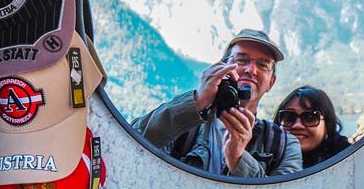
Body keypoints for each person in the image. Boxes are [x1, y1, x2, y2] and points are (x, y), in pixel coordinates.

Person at [134, 29, 302, 178]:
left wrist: (238, 159)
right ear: (222, 68)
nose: (251, 70)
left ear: (271, 82)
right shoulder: (182, 127)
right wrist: (197, 101)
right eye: (242, 60)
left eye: (263, 64)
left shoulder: (284, 144)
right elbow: (130, 141)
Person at [274, 87, 350, 168]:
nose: (297, 125)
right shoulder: (264, 161)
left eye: (310, 117)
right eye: (289, 117)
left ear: (327, 124)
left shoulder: (347, 161)